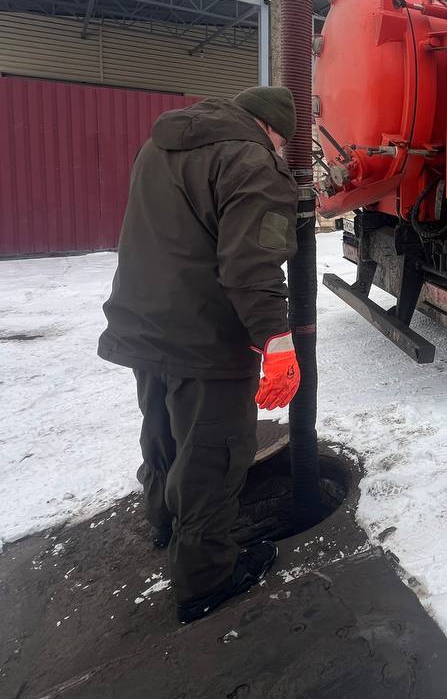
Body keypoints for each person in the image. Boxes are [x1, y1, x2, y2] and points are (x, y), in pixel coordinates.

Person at [98, 86, 302, 623]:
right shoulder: (253, 162)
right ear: (274, 131)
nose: (282, 153)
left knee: (163, 432)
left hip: (145, 323)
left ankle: (164, 523)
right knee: (215, 454)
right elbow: (252, 267)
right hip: (205, 338)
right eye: (285, 144)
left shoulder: (160, 145)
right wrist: (277, 341)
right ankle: (206, 580)